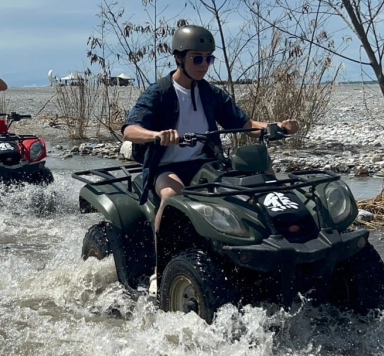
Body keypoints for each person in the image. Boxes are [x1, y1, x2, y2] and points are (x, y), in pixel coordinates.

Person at [122, 25, 300, 232]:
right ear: (179, 58)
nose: (204, 65)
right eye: (197, 58)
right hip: (166, 167)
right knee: (171, 196)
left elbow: (244, 124)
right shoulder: (159, 93)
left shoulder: (211, 93)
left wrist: (276, 127)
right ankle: (160, 257)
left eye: (209, 59)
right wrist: (157, 135)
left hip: (206, 164)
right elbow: (130, 130)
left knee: (251, 188)